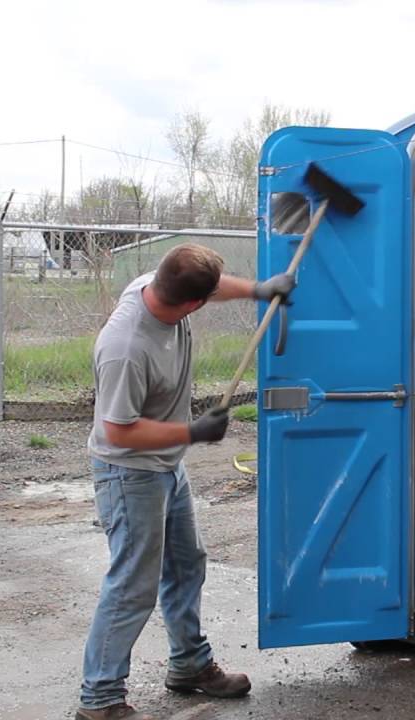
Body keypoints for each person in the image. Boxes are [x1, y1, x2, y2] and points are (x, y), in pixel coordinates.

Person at [76, 243, 294, 720]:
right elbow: (118, 429)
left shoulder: (162, 286)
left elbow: (213, 288)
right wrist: (191, 431)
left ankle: (190, 666)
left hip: (166, 466)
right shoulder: (125, 347)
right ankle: (100, 699)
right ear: (191, 303)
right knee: (133, 583)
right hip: (129, 473)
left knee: (186, 563)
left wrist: (259, 289)